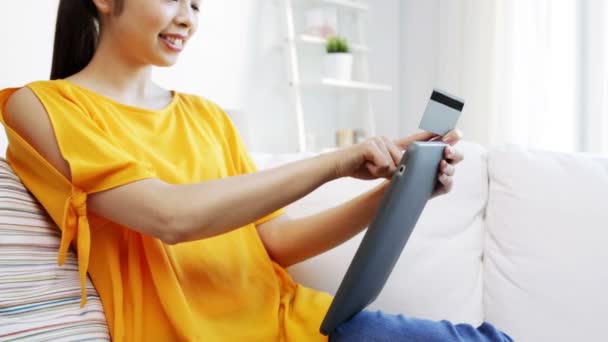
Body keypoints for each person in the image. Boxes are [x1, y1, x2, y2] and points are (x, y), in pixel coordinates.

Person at [0, 0, 513, 341]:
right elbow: (168, 217)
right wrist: (339, 161)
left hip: (300, 325)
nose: (187, 17)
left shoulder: (207, 116)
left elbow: (277, 242)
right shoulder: (42, 106)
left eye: (197, 4)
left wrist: (398, 191)